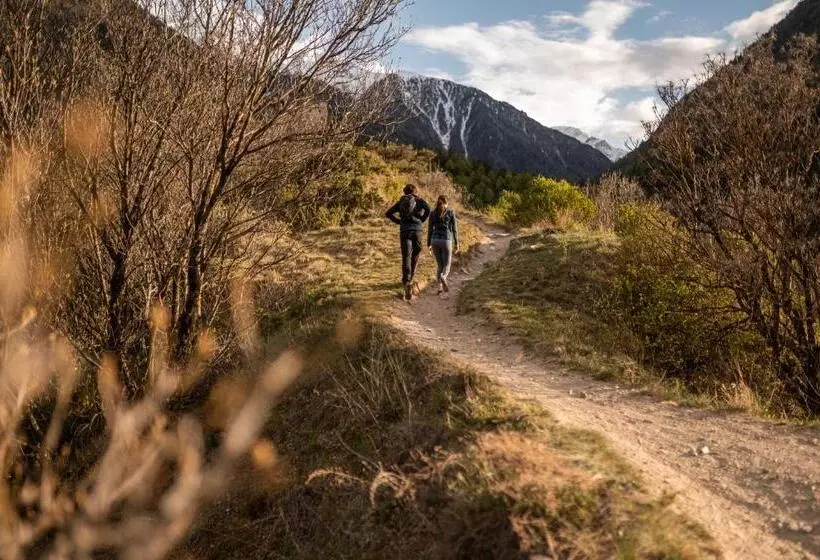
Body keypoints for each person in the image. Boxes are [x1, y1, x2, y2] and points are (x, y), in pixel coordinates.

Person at [385, 184, 431, 300]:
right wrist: (421, 220)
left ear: (404, 192)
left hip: (404, 231)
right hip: (417, 231)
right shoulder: (419, 200)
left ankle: (406, 281)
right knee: (415, 254)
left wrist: (399, 222)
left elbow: (388, 213)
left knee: (406, 256)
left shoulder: (401, 201)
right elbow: (429, 209)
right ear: (415, 191)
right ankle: (411, 279)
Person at [427, 195, 459, 293]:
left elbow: (430, 229)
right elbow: (454, 229)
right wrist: (457, 243)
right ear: (446, 203)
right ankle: (443, 277)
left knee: (440, 265)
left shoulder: (432, 213)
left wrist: (429, 244)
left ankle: (440, 288)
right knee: (447, 265)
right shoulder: (450, 212)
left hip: (434, 240)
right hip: (446, 240)